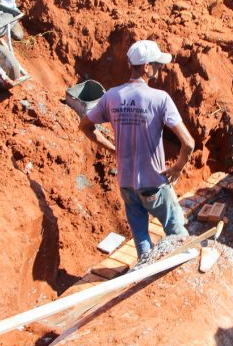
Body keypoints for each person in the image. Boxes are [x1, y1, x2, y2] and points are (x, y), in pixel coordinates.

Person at [79, 40, 195, 258]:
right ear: (145, 68)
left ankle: (145, 271)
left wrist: (114, 149)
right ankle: (183, 266)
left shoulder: (112, 96)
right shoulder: (160, 99)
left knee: (142, 239)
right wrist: (178, 168)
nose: (160, 69)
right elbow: (188, 143)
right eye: (157, 65)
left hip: (126, 184)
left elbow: (85, 126)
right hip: (153, 183)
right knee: (177, 231)